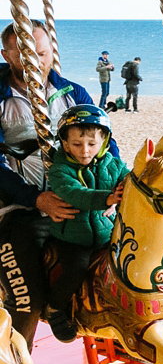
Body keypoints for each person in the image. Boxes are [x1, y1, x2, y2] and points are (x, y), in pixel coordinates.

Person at [0, 20, 105, 344]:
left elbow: (104, 147)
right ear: (6, 54)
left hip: (76, 203)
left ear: (51, 52)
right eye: (23, 52)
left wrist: (109, 191)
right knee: (26, 301)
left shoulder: (74, 94)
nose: (34, 59)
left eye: (41, 52)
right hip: (19, 209)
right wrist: (37, 199)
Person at [43, 105, 128, 342]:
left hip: (105, 234)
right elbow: (77, 194)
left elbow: (129, 180)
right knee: (75, 270)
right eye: (77, 145)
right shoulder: (60, 170)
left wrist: (128, 188)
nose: (85, 151)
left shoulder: (113, 164)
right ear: (65, 144)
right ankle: (55, 308)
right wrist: (108, 198)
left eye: (92, 144)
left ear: (104, 141)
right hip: (73, 237)